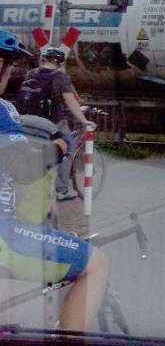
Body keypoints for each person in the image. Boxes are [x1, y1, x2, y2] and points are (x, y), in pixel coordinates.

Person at [0, 30, 109, 331]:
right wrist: (62, 145)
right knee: (95, 264)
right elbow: (24, 168)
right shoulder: (3, 109)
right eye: (8, 69)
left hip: (25, 126)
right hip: (2, 235)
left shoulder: (32, 77)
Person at [16, 47, 96, 201]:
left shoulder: (31, 73)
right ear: (59, 62)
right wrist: (84, 120)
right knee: (67, 150)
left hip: (31, 122)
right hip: (52, 123)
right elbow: (71, 102)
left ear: (44, 59)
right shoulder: (60, 77)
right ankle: (62, 190)